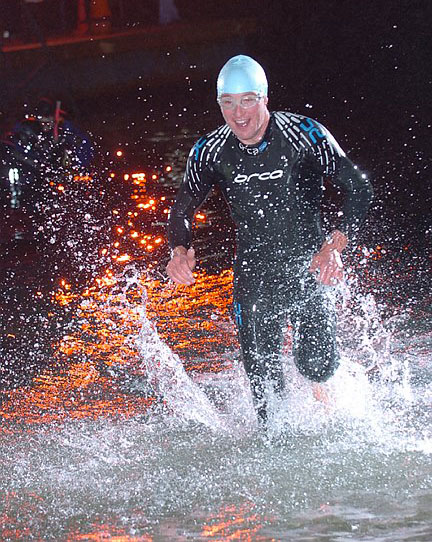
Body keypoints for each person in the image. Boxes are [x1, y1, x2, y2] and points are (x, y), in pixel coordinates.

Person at [166, 55, 373, 427]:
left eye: (247, 100)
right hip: (255, 269)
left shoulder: (304, 134)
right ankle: (277, 456)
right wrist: (179, 251)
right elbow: (182, 208)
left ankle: (327, 397)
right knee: (264, 389)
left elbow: (357, 187)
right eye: (227, 102)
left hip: (310, 264)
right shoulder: (209, 150)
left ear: (264, 98)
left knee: (316, 365)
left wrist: (335, 245)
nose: (238, 113)